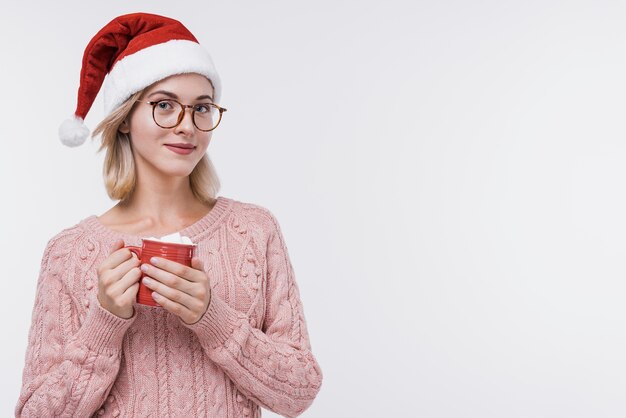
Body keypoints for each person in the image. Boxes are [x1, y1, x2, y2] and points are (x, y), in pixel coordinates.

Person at [15, 12, 322, 418]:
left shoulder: (253, 230)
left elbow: (299, 392)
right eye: (164, 105)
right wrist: (104, 323)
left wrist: (213, 318)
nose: (186, 126)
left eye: (202, 108)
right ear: (124, 119)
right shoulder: (68, 252)